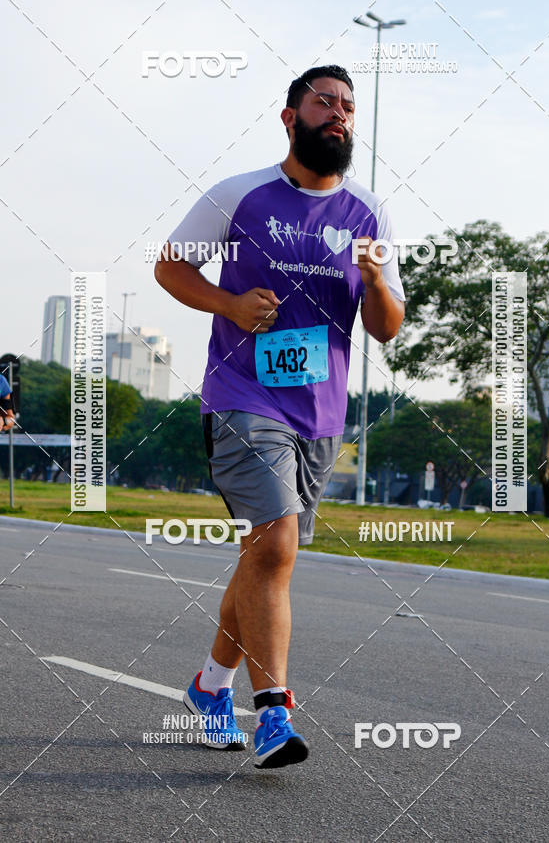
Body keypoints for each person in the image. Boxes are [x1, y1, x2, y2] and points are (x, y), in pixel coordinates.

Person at [155, 65, 406, 769]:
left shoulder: (370, 214)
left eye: (348, 106)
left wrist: (374, 280)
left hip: (320, 415)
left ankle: (210, 687)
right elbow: (171, 267)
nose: (340, 114)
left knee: (265, 555)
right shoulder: (238, 195)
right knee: (275, 547)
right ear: (291, 117)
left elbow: (387, 327)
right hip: (242, 396)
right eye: (324, 102)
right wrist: (229, 305)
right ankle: (272, 714)